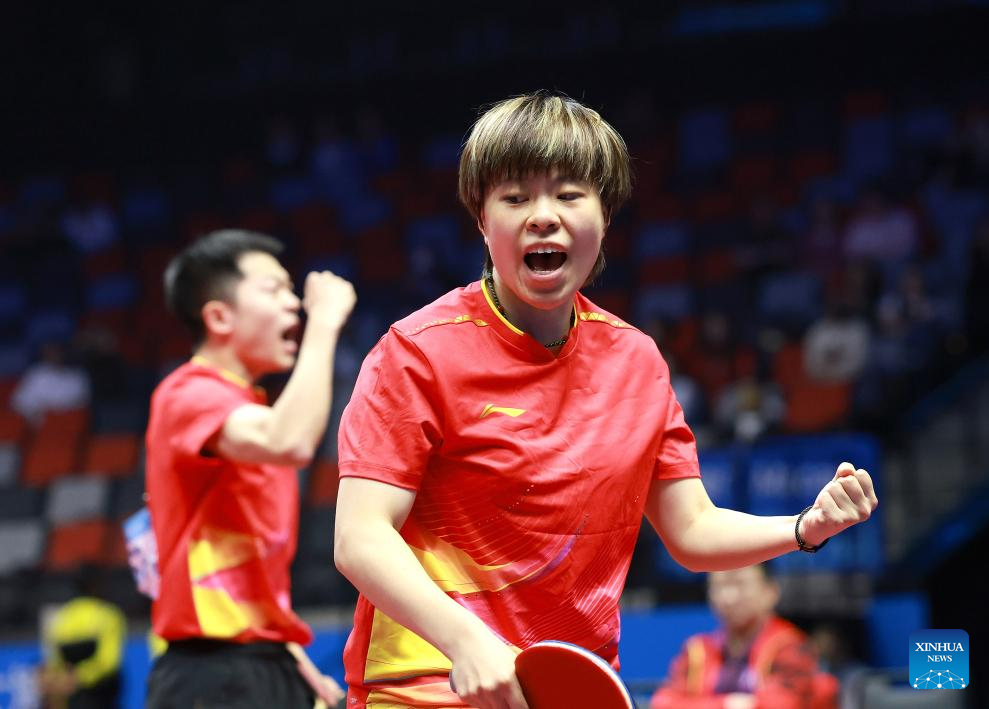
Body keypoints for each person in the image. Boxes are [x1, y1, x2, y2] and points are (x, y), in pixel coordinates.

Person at [333, 92, 877, 709]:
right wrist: (466, 640)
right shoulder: (417, 351)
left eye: (569, 195)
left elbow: (692, 528)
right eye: (515, 198)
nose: (543, 216)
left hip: (572, 687)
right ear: (482, 221)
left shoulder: (636, 362)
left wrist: (804, 527)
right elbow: (360, 537)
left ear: (605, 215)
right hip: (431, 682)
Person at [144, 229, 355, 708]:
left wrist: (293, 662)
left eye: (292, 291)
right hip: (211, 675)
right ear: (219, 317)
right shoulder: (187, 394)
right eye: (273, 290)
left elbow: (250, 578)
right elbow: (290, 439)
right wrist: (323, 324)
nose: (293, 304)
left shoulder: (250, 411)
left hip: (265, 660)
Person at [650, 564, 839, 709]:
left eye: (740, 584)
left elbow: (781, 705)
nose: (728, 597)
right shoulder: (697, 650)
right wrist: (729, 704)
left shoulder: (791, 647)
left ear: (770, 592)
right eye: (719, 586)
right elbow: (663, 704)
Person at [38, 590, 126, 709]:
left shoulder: (61, 615)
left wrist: (68, 679)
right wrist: (79, 677)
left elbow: (54, 659)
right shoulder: (109, 614)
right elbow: (109, 662)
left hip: (81, 686)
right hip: (96, 688)